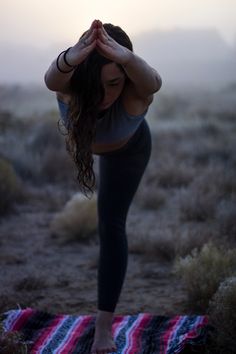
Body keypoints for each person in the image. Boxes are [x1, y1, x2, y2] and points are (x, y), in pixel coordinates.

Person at [44, 19, 162, 354]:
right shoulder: (69, 87)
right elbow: (51, 78)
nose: (104, 95)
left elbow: (154, 81)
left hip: (130, 151)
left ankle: (103, 329)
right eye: (96, 85)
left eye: (114, 83)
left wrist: (126, 57)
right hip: (90, 144)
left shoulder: (136, 96)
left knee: (110, 225)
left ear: (125, 77)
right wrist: (73, 55)